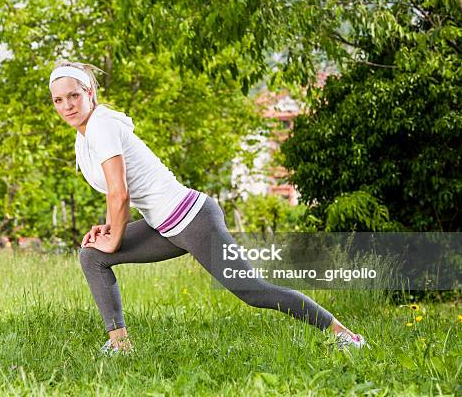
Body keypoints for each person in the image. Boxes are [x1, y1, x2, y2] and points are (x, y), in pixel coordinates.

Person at [48, 60, 369, 354]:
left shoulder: (102, 126)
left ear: (89, 92)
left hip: (192, 219)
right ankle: (120, 346)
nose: (67, 105)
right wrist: (107, 231)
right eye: (58, 100)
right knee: (93, 255)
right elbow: (116, 195)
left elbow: (120, 192)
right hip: (165, 225)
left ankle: (346, 336)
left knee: (253, 292)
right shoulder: (85, 137)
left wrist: (114, 238)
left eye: (73, 96)